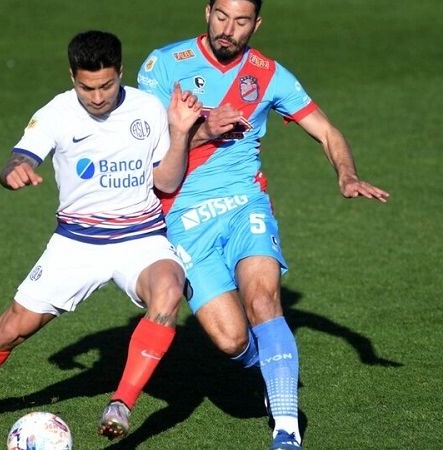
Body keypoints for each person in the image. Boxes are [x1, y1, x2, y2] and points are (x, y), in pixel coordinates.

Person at [0, 30, 202, 441]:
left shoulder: (148, 109)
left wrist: (181, 133)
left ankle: (122, 402)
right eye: (86, 87)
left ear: (121, 74)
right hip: (76, 244)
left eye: (106, 86)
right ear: (72, 77)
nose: (96, 97)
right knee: (11, 328)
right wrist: (13, 172)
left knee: (169, 289)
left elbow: (165, 183)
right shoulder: (57, 113)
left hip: (140, 237)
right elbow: (19, 157)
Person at [136, 1, 390, 449]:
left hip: (245, 206)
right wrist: (204, 130)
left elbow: (328, 133)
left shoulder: (268, 74)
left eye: (240, 21)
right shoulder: (163, 65)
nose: (227, 30)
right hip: (182, 218)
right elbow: (149, 152)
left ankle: (287, 428)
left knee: (264, 300)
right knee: (231, 340)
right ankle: (272, 370)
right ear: (207, 11)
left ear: (256, 24)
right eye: (221, 17)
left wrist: (346, 173)